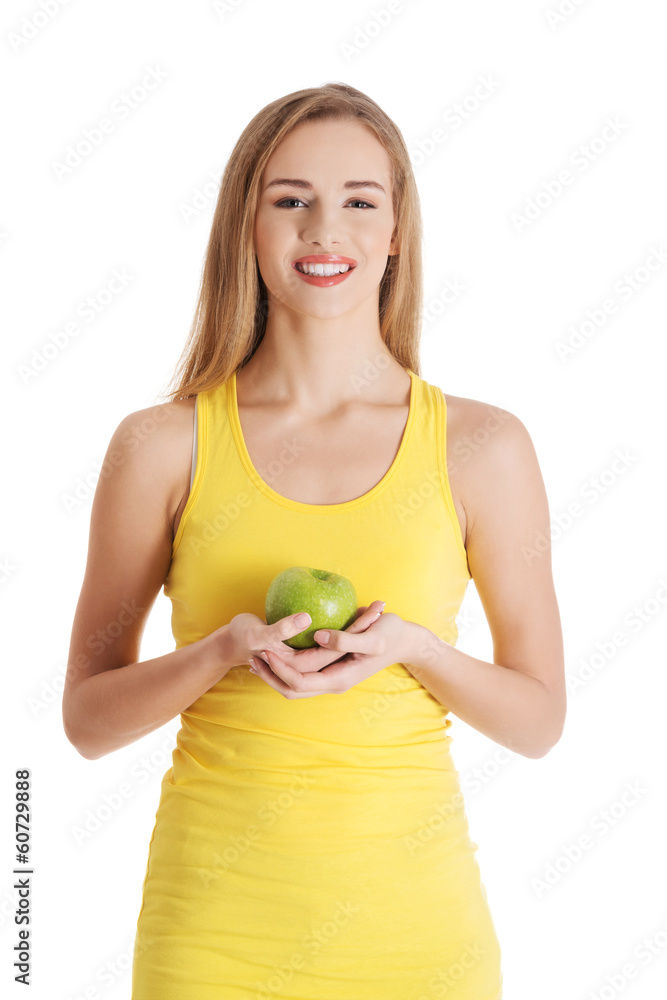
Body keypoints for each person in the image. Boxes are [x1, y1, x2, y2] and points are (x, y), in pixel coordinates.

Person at [62, 82, 566, 1000]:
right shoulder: (161, 444)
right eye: (290, 199)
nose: (324, 230)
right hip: (210, 942)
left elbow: (537, 724)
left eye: (359, 202)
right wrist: (217, 653)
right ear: (246, 227)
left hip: (418, 944)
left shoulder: (483, 446)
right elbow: (87, 721)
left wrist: (414, 648)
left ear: (397, 232)